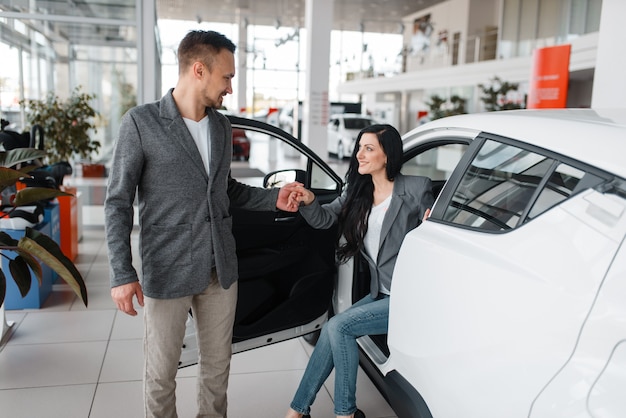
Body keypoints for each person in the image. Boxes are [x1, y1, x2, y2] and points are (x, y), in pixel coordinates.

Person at [104, 30, 300, 418]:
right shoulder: (141, 123)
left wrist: (271, 197)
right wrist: (121, 272)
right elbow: (118, 202)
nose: (230, 86)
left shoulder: (221, 127)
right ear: (199, 69)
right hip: (168, 267)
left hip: (219, 267)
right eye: (226, 77)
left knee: (217, 370)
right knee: (161, 374)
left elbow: (224, 189)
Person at [285, 124, 434, 418]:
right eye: (359, 148)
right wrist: (310, 200)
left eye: (369, 149)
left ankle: (345, 413)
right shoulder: (358, 191)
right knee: (332, 328)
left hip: (408, 296)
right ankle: (296, 411)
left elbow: (433, 235)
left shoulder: (417, 189)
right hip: (381, 293)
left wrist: (432, 225)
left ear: (388, 155)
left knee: (340, 326)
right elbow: (325, 219)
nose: (359, 155)